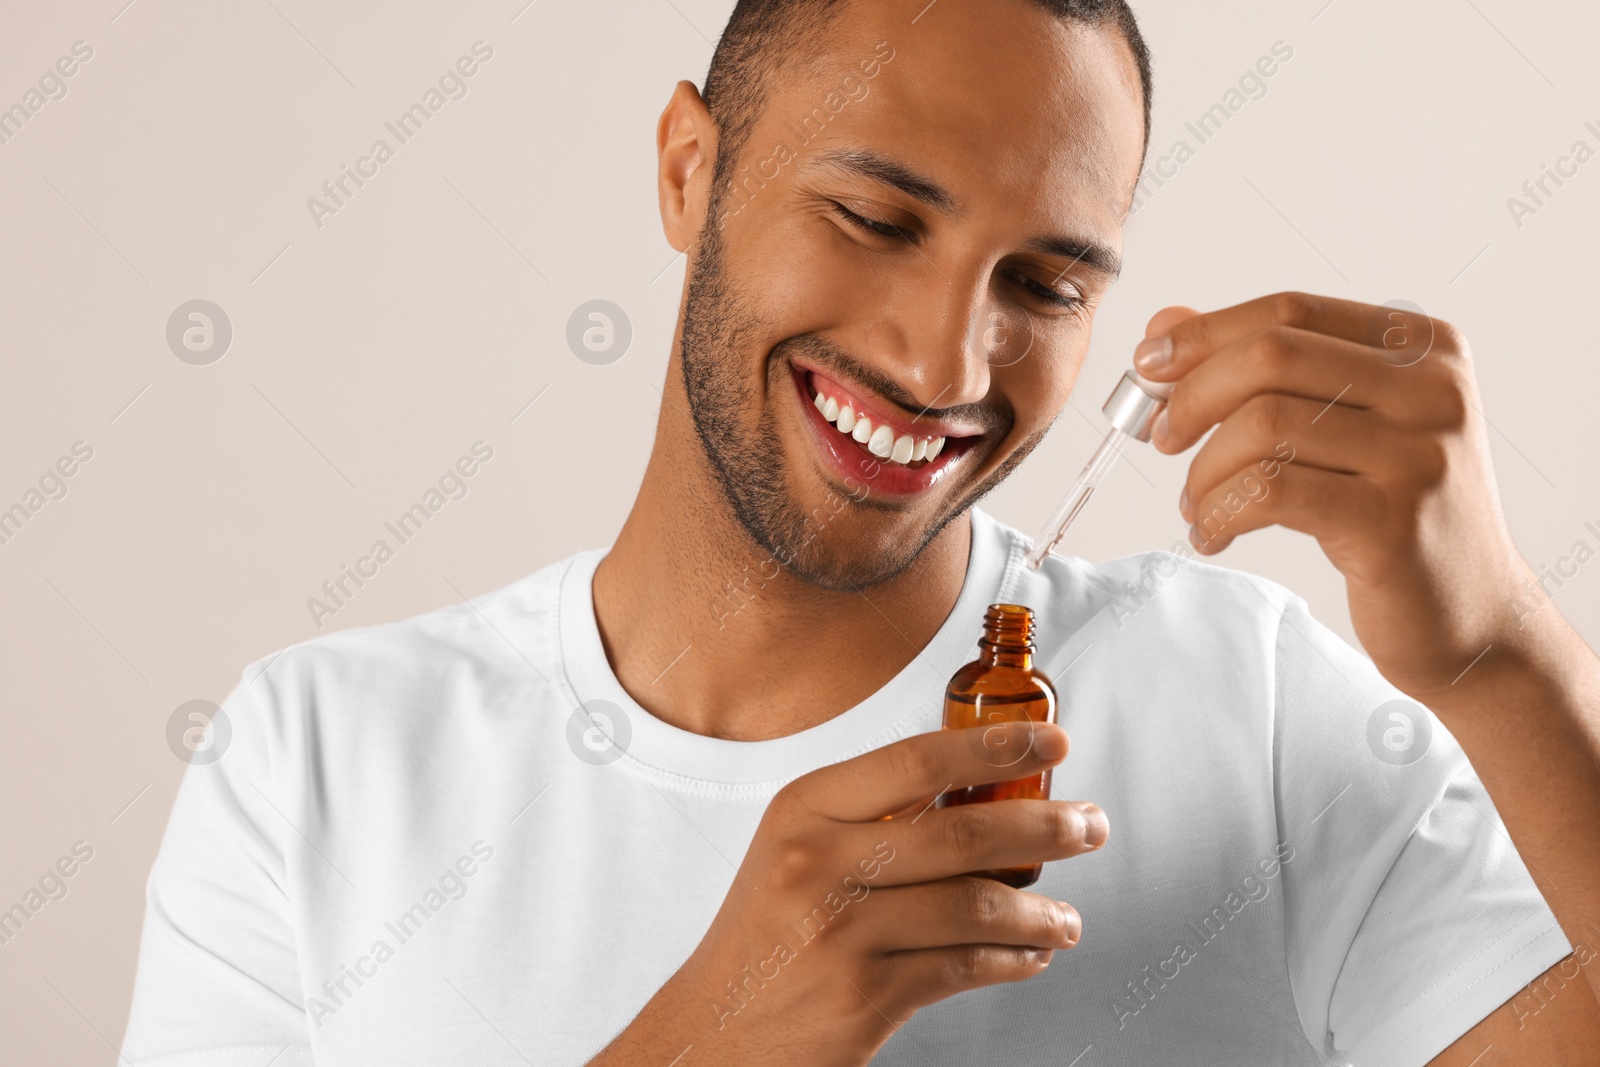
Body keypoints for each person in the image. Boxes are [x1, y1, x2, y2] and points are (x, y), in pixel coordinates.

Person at [121, 0, 1600, 1064]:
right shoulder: (314, 759)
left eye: (1047, 284)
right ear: (690, 171)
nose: (948, 366)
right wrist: (715, 1040)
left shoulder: (1255, 706)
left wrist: (1507, 659)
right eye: (878, 221)